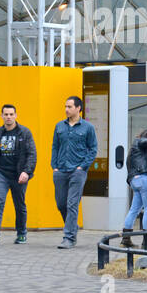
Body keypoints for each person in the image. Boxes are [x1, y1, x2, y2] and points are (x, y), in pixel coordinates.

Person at [0, 103, 37, 246]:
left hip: (19, 175)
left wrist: (27, 171)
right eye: (6, 114)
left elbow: (32, 154)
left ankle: (21, 234)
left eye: (11, 114)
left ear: (16, 115)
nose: (8, 117)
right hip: (1, 173)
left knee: (19, 205)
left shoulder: (24, 133)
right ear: (1, 116)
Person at [51, 95, 97, 249]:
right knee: (60, 204)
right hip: (60, 171)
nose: (66, 109)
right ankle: (72, 226)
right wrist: (54, 166)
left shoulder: (88, 127)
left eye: (69, 106)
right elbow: (55, 147)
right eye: (65, 106)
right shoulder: (59, 126)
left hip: (78, 171)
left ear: (78, 108)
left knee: (72, 204)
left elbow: (93, 149)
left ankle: (69, 238)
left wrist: (82, 167)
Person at [122, 129, 147, 249]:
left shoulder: (138, 150)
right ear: (146, 137)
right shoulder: (139, 142)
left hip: (135, 181)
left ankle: (126, 238)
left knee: (134, 209)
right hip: (145, 180)